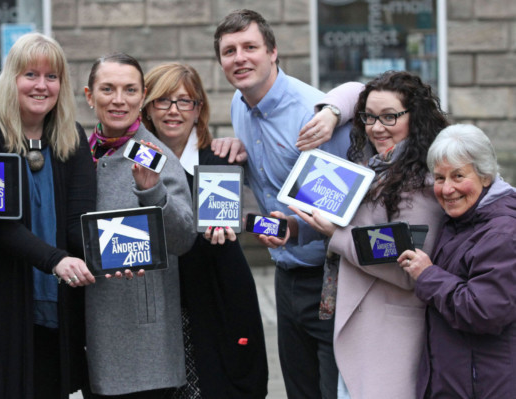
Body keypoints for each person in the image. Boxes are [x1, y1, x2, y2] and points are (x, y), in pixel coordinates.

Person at [213, 9, 352, 398]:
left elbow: (343, 198)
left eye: (250, 47)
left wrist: (294, 226)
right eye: (229, 51)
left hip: (331, 277)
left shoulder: (315, 112)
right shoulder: (239, 107)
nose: (239, 58)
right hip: (285, 277)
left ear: (273, 52)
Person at [292, 71, 449, 398]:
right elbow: (353, 92)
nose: (377, 128)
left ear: (415, 116)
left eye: (390, 116)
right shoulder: (377, 166)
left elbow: (406, 267)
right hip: (364, 329)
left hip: (391, 336)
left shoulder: (425, 178)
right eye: (369, 117)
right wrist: (293, 227)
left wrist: (336, 234)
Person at [0, 33, 97, 399]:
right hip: (3, 300)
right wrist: (55, 261)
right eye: (30, 74)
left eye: (52, 76)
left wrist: (113, 254)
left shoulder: (70, 135)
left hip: (57, 304)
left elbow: (78, 222)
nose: (41, 85)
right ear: (12, 78)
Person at [141, 62, 268, 398]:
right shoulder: (135, 164)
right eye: (162, 101)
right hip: (159, 300)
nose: (174, 110)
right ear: (148, 109)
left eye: (185, 101)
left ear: (199, 110)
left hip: (219, 293)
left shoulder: (222, 160)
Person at [83, 53, 196, 398]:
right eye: (108, 89)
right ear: (89, 96)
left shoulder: (154, 154)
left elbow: (184, 238)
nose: (119, 100)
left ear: (142, 95)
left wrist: (153, 191)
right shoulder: (77, 155)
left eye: (130, 90)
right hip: (88, 331)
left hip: (142, 341)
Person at [397, 124, 516, 399]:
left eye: (458, 176)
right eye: (439, 178)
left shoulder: (502, 232)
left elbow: (485, 311)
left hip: (486, 385)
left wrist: (427, 275)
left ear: (486, 177)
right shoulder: (460, 220)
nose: (447, 189)